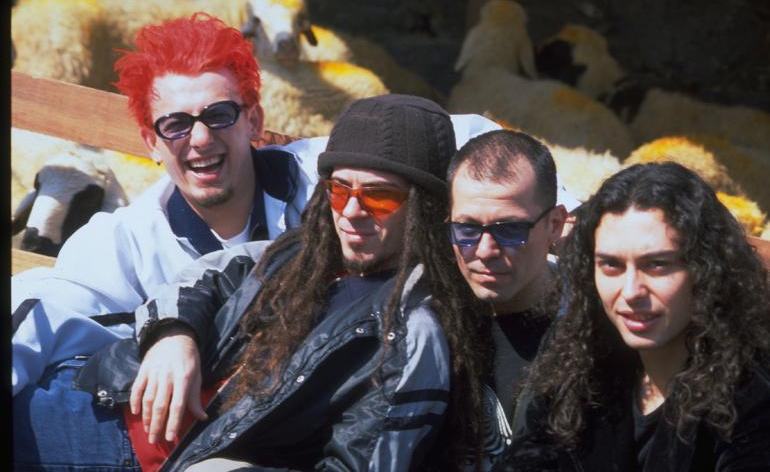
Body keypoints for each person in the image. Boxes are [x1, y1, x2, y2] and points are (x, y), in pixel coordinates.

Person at [10, 12, 501, 397]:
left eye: (219, 114)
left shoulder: (325, 173)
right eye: (175, 124)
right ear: (151, 143)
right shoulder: (131, 240)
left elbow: (476, 138)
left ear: (254, 121)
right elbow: (41, 309)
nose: (200, 139)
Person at [14, 94, 489, 472]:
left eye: (380, 197)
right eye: (338, 189)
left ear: (427, 206)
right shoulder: (306, 254)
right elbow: (210, 276)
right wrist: (174, 334)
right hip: (102, 383)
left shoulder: (410, 329)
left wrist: (224, 469)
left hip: (132, 448)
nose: (350, 211)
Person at [494, 162, 770, 471]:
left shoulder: (755, 395)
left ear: (705, 269)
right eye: (611, 265)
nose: (631, 291)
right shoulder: (579, 361)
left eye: (657, 264)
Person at [444, 130, 570, 467]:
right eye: (467, 229)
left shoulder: (599, 332)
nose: (485, 250)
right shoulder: (425, 320)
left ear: (555, 225)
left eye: (510, 230)